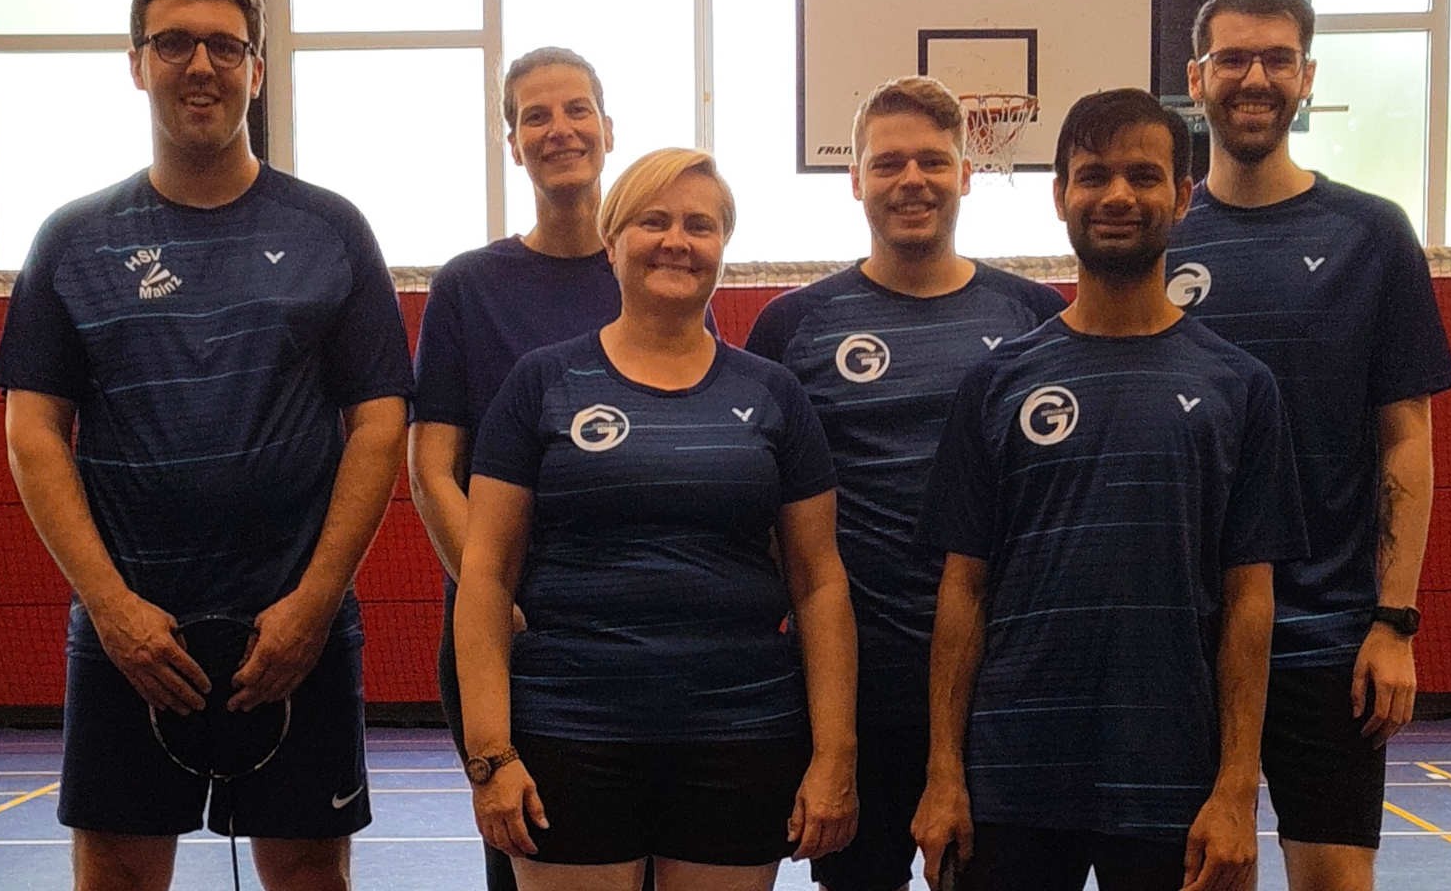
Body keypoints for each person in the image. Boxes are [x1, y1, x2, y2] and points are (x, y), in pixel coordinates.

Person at [0, 0, 412, 891]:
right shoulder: (72, 240)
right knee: (116, 875)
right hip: (129, 636)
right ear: (136, 63)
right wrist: (111, 610)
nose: (201, 66)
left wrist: (311, 607)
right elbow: (32, 435)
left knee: (310, 873)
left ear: (257, 69)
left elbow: (380, 425)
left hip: (294, 631)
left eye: (226, 46)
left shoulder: (332, 230)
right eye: (175, 42)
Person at [910, 89, 1307, 891]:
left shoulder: (1242, 387)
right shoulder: (996, 383)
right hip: (1009, 782)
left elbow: (1250, 604)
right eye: (1093, 176)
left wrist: (1237, 790)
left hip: (1172, 781)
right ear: (1061, 196)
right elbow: (964, 590)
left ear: (1182, 197)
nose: (1118, 195)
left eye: (1143, 175)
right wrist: (944, 773)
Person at [455, 148, 859, 891]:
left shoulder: (772, 394)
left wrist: (835, 755)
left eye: (700, 225)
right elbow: (484, 576)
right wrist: (492, 754)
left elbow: (819, 583)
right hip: (571, 730)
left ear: (722, 251)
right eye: (653, 221)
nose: (677, 240)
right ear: (612, 244)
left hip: (741, 733)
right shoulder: (541, 383)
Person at [745, 75, 1066, 891]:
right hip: (856, 694)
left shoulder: (1036, 316)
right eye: (888, 163)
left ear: (966, 173)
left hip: (1002, 689)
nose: (911, 180)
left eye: (933, 160)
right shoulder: (793, 326)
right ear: (854, 179)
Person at [1171, 0, 1451, 891]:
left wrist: (1394, 621)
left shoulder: (1371, 233)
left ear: (1306, 78)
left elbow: (1406, 439)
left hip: (1328, 638)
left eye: (1277, 59)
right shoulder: (1157, 236)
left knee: (1335, 878)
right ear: (1197, 78)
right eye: (1232, 59)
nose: (1254, 78)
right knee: (1207, 875)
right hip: (1184, 636)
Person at [411, 46, 703, 891]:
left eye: (576, 110)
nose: (559, 129)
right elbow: (434, 469)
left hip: (643, 645)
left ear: (609, 130)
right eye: (535, 116)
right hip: (512, 646)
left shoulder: (660, 270)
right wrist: (498, 603)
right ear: (513, 142)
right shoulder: (470, 285)